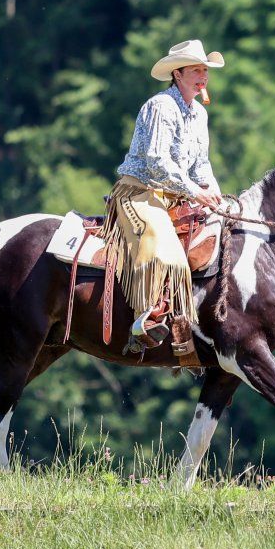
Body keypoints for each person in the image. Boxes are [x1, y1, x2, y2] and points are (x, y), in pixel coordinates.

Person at [101, 40, 224, 350]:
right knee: (166, 251)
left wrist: (215, 196)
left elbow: (201, 166)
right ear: (178, 73)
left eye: (205, 70)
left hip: (179, 196)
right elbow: (157, 164)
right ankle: (146, 320)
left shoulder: (199, 115)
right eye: (196, 70)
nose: (203, 76)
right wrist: (197, 192)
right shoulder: (161, 106)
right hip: (140, 192)